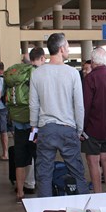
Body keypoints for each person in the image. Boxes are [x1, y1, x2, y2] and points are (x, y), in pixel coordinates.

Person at [29, 33, 89, 198]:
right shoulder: (72, 73)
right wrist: (79, 130)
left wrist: (34, 129)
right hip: (67, 128)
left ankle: (45, 210)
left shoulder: (37, 73)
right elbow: (79, 105)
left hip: (46, 129)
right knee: (77, 173)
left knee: (44, 175)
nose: (68, 49)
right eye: (68, 46)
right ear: (61, 49)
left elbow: (33, 105)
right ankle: (84, 208)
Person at [5, 46, 45, 201]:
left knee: (20, 159)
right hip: (33, 125)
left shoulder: (16, 73)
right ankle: (42, 191)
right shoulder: (37, 73)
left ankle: (20, 193)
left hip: (18, 123)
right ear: (41, 58)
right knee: (38, 156)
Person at [82, 47, 106, 193]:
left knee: (93, 161)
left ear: (93, 61)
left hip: (92, 127)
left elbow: (85, 105)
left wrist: (81, 128)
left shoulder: (90, 78)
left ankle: (98, 194)